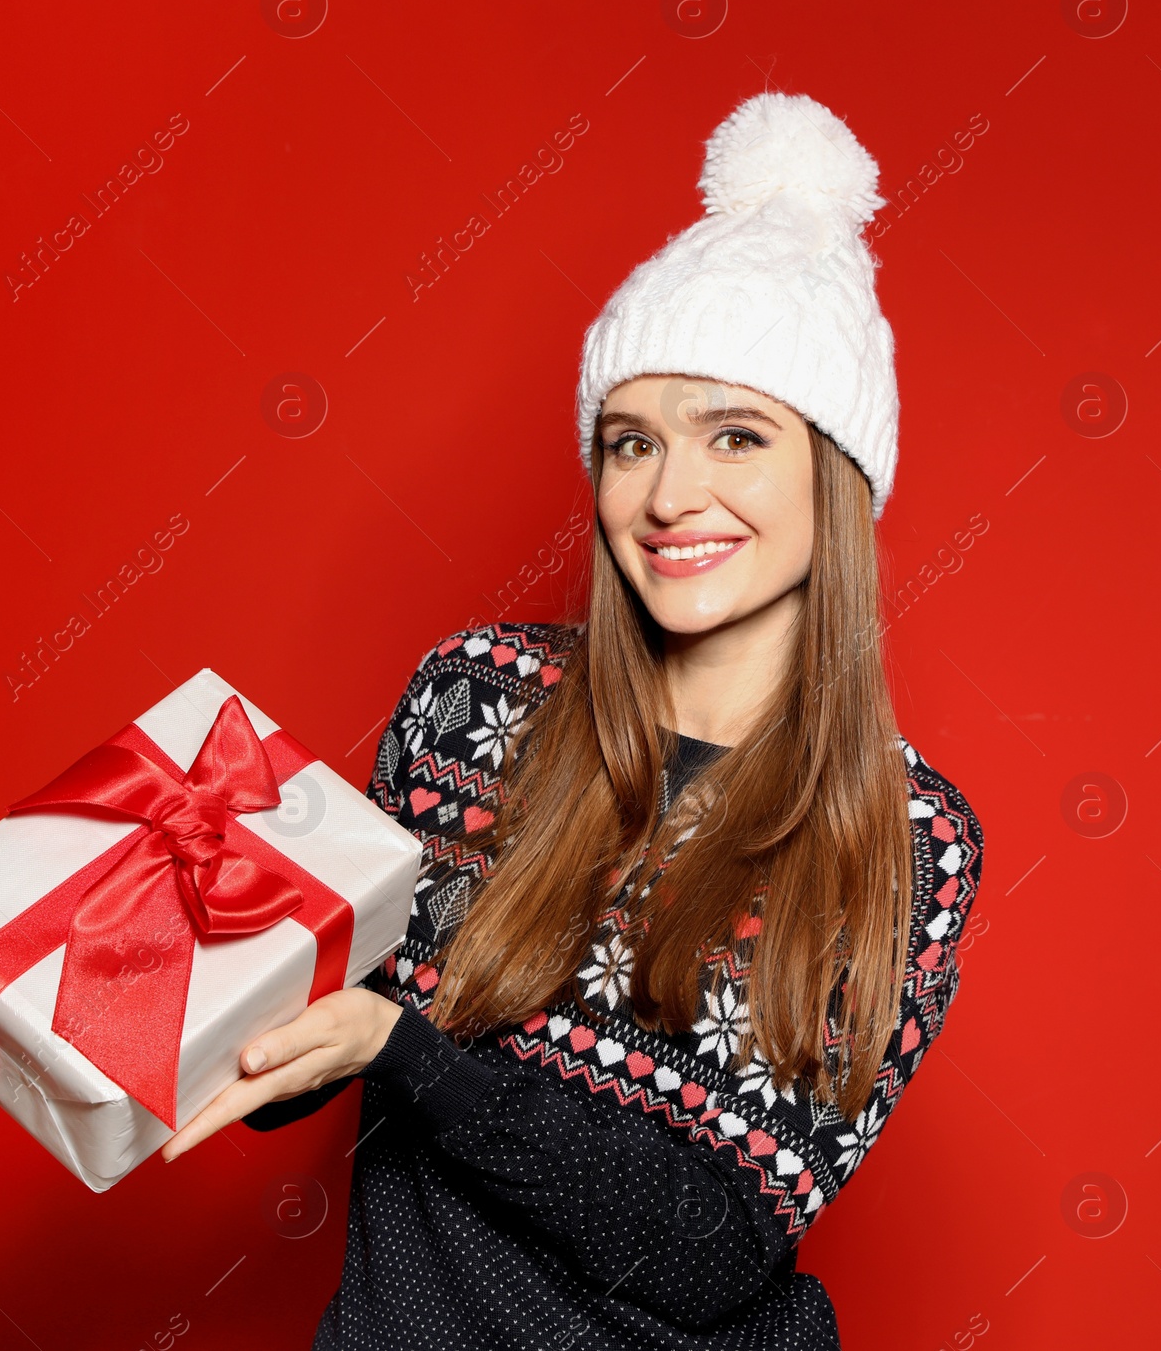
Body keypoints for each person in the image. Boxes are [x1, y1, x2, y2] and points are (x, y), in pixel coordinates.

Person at [162, 91, 985, 1349]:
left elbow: (710, 1253)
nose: (670, 493)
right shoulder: (471, 699)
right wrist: (191, 956)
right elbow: (330, 1041)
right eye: (629, 442)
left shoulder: (906, 834)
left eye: (734, 435)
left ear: (836, 477)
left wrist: (404, 1053)